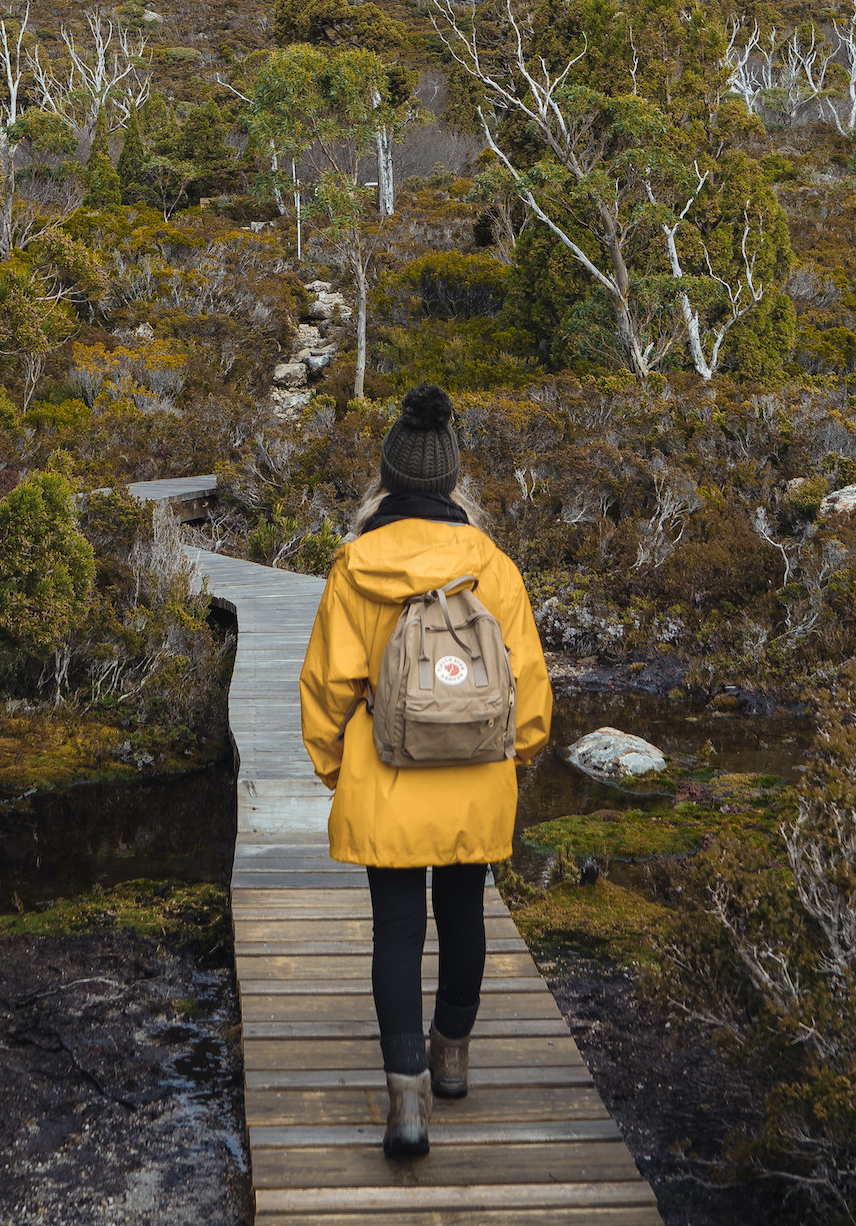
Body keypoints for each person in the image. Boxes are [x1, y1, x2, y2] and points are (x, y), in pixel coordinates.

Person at [296, 384, 552, 1158]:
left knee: (398, 927)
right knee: (465, 911)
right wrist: (518, 754)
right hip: (478, 770)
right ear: (451, 480)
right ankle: (452, 1059)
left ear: (387, 476)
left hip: (388, 772)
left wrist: (338, 769)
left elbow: (327, 685)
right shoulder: (492, 566)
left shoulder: (353, 565)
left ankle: (405, 1102)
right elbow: (529, 685)